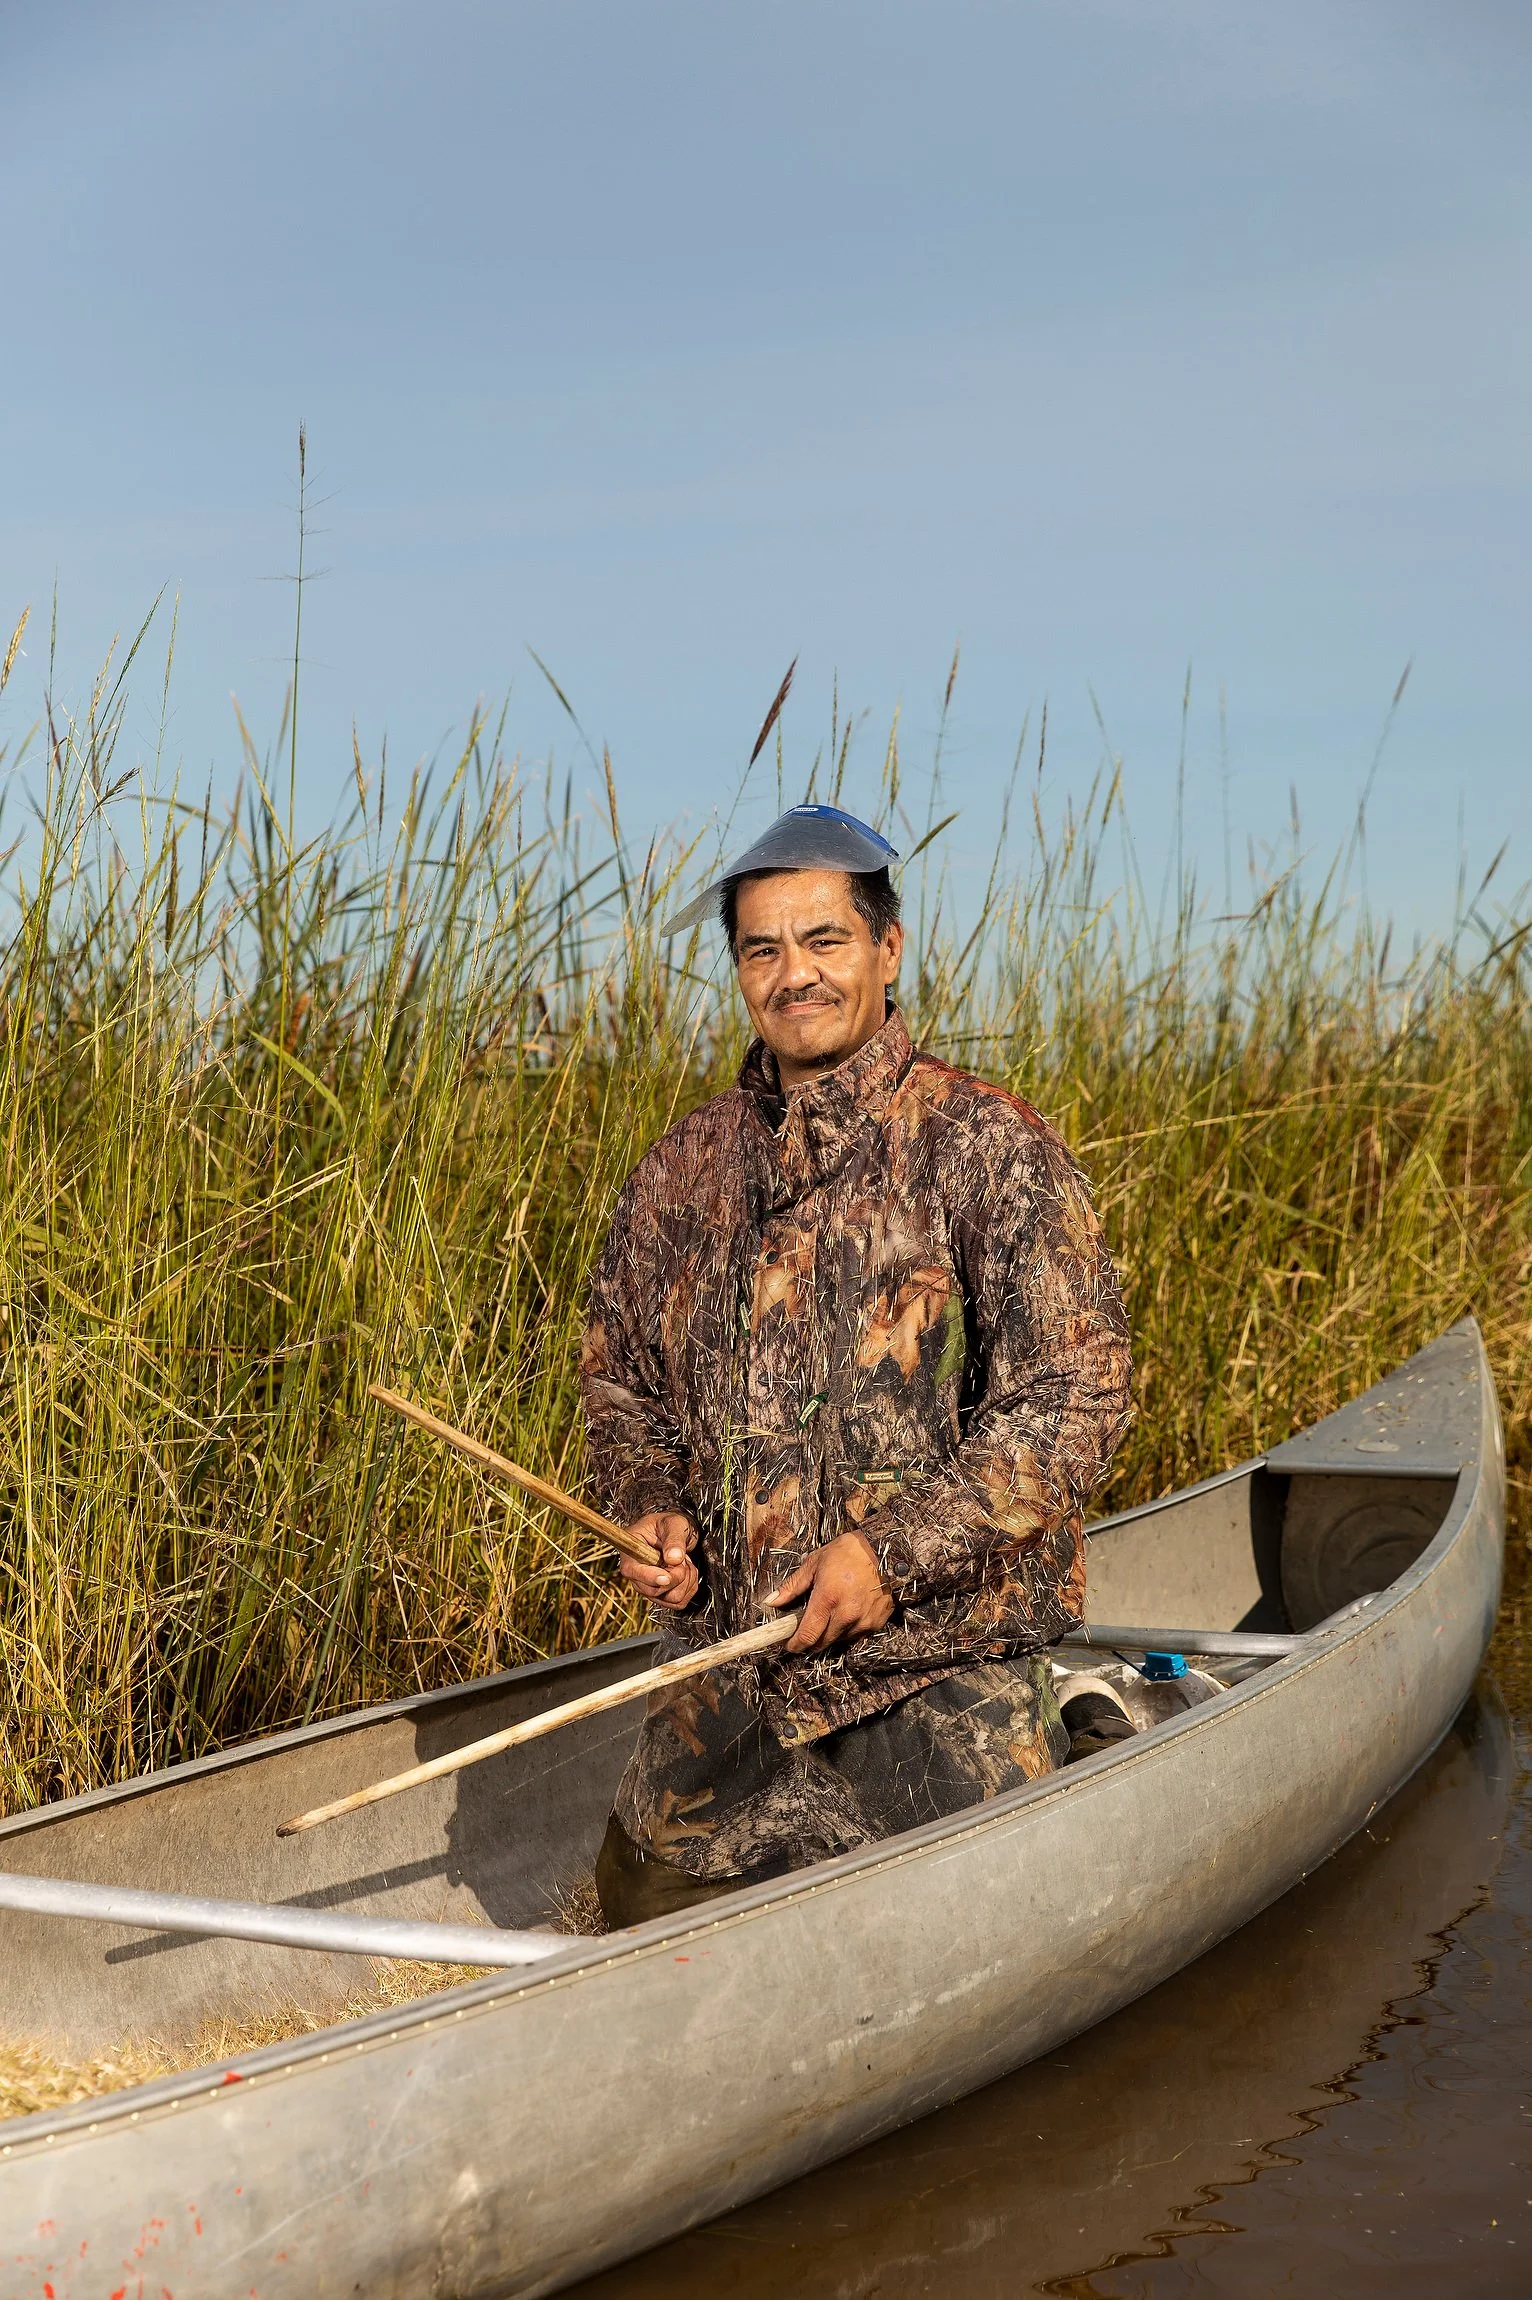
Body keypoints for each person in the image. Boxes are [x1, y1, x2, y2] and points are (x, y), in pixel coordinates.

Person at [580, 803, 1133, 1926]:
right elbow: (618, 1382)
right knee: (628, 1915)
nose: (795, 975)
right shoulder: (680, 1172)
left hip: (934, 1654)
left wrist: (890, 1555)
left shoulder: (985, 1145)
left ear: (886, 947)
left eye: (823, 940)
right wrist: (646, 1510)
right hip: (736, 1665)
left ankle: (1077, 1709)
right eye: (761, 948)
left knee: (979, 1930)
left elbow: (1077, 1393)